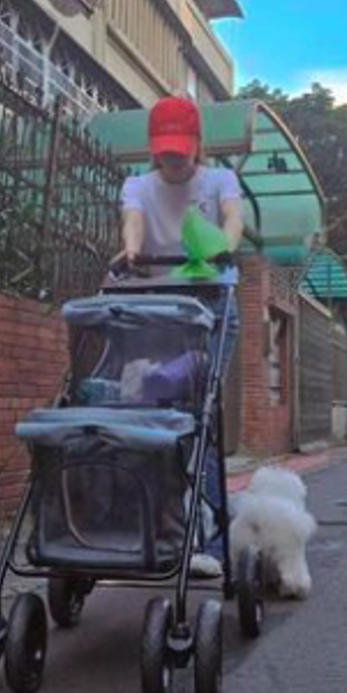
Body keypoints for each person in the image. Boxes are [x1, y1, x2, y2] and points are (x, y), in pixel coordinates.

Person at [114, 96, 243, 576]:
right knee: (147, 414)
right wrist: (132, 251)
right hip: (157, 311)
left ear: (197, 145)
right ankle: (154, 530)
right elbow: (134, 222)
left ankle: (210, 545)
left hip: (211, 310)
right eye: (165, 152)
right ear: (154, 148)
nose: (173, 160)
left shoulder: (219, 180)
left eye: (181, 151)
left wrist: (223, 248)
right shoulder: (137, 185)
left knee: (198, 419)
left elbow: (233, 219)